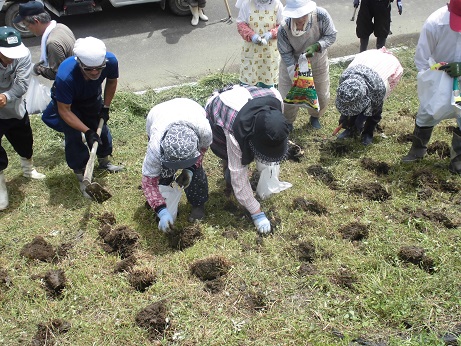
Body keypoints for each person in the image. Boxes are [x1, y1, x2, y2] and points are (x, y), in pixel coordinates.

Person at [205, 84, 291, 235]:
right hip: (221, 111)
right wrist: (256, 212)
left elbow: (272, 134)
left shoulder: (276, 98)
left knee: (262, 149)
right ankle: (227, 180)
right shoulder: (234, 130)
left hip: (250, 98)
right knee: (232, 165)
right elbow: (238, 175)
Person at [53, 37, 124, 198]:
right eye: (89, 69)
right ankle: (81, 176)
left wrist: (105, 107)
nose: (94, 72)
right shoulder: (65, 76)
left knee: (102, 130)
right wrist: (86, 131)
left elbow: (112, 82)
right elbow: (64, 111)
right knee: (73, 137)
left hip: (91, 97)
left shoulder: (111, 61)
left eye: (98, 69)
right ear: (79, 63)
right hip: (68, 103)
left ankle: (104, 162)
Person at [401, 0, 461, 175]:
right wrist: (433, 77)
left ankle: (458, 159)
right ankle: (417, 150)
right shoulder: (435, 23)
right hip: (439, 73)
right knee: (427, 112)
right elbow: (422, 60)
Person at [142, 98, 212, 233]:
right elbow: (149, 182)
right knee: (163, 173)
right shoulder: (155, 148)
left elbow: (203, 149)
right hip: (159, 114)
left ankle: (197, 204)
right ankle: (160, 202)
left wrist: (191, 169)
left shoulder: (204, 131)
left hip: (191, 108)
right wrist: (161, 210)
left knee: (196, 173)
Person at [0, 27, 45, 211]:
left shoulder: (23, 54)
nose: (11, 58)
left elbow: (22, 83)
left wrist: (5, 97)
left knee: (24, 142)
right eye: (6, 54)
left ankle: (28, 169)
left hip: (14, 108)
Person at [13, 0, 75, 132]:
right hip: (75, 79)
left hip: (69, 86)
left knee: (49, 117)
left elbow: (57, 73)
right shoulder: (61, 27)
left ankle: (76, 133)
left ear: (36, 20)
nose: (26, 28)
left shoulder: (52, 42)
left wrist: (37, 69)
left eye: (26, 24)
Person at [277, 0, 337, 129]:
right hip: (292, 62)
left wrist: (317, 46)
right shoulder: (283, 27)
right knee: (287, 97)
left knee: (321, 94)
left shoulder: (321, 16)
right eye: (296, 17)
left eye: (303, 16)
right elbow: (285, 53)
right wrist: (296, 74)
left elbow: (331, 35)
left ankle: (315, 117)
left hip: (317, 61)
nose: (300, 20)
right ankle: (288, 123)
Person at [335, 47, 403, 145]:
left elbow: (374, 108)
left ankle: (368, 133)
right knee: (353, 108)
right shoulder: (345, 79)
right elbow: (347, 102)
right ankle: (351, 130)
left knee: (374, 112)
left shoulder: (378, 89)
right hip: (367, 60)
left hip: (386, 68)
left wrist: (361, 119)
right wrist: (344, 119)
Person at [236, 0, 284, 88]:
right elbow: (240, 24)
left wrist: (271, 34)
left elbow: (282, 25)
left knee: (267, 84)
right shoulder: (247, 4)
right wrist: (252, 35)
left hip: (269, 53)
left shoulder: (277, 5)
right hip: (251, 52)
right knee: (248, 85)